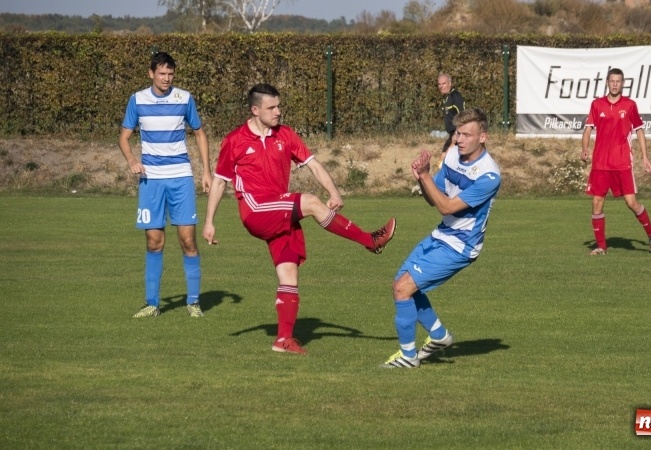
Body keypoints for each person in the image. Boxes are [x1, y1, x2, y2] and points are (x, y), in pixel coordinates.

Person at [203, 83, 396, 355]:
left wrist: (334, 190)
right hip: (256, 210)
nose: (278, 112)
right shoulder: (235, 140)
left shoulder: (286, 135)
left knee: (289, 273)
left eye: (279, 106)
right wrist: (209, 221)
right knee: (312, 202)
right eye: (272, 107)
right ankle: (370, 240)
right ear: (255, 110)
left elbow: (314, 165)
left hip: (279, 211)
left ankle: (283, 340)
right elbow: (220, 182)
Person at [382, 108, 501, 369]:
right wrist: (422, 178)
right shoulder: (452, 157)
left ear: (483, 137)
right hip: (442, 234)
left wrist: (425, 177)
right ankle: (438, 336)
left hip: (461, 246)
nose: (459, 139)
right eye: (458, 133)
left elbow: (447, 207)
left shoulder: (488, 176)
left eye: (467, 134)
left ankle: (408, 357)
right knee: (400, 286)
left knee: (404, 288)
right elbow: (432, 199)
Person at [119, 51, 211, 318]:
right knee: (153, 242)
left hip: (180, 178)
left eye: (170, 74)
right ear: (151, 73)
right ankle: (152, 304)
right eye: (162, 74)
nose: (166, 78)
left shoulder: (184, 98)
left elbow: (200, 133)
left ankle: (193, 302)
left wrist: (206, 171)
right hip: (151, 181)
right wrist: (131, 160)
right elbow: (124, 138)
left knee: (188, 240)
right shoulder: (137, 99)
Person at [581, 68, 651, 256]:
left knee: (631, 202)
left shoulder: (630, 105)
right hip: (600, 163)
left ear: (623, 83)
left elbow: (639, 130)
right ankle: (601, 246)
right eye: (612, 81)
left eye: (618, 81)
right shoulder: (597, 104)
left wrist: (645, 157)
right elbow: (587, 129)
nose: (615, 84)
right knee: (597, 202)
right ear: (607, 83)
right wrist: (584, 149)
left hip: (622, 161)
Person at [436, 73, 465, 169]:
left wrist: (457, 133)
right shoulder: (446, 97)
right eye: (439, 84)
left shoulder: (455, 96)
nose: (441, 86)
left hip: (457, 134)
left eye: (443, 83)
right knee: (444, 160)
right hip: (452, 134)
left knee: (445, 161)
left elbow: (463, 116)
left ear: (450, 83)